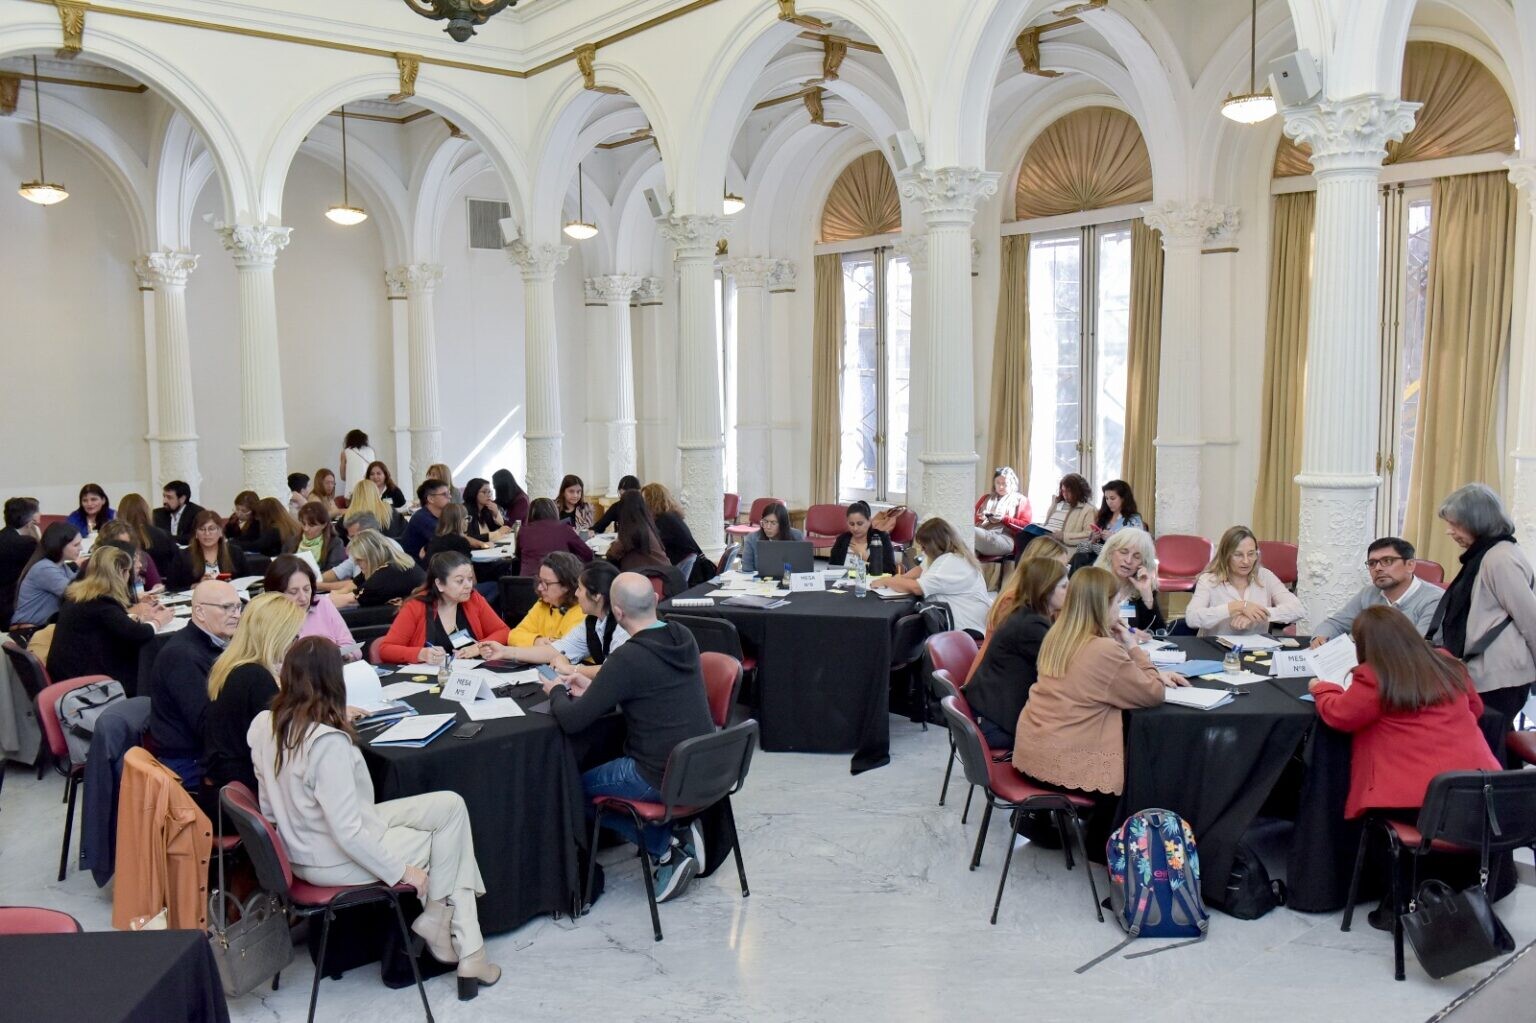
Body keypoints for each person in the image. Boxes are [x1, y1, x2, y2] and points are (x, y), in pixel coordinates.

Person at [249, 637, 500, 997]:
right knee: (448, 842)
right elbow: (348, 833)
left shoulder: (264, 725)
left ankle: (437, 918)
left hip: (300, 845)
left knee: (450, 805)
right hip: (331, 857)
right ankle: (468, 950)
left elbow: (270, 809)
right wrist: (401, 872)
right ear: (335, 680)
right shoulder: (326, 742)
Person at [543, 572, 715, 901]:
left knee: (571, 789)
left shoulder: (627, 658)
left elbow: (573, 721)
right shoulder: (683, 636)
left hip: (656, 774)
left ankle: (665, 849)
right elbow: (650, 689)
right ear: (653, 601)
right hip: (704, 764)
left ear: (618, 614)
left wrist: (555, 692)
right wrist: (595, 687)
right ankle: (678, 835)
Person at [1013, 567, 1188, 853]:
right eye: (1117, 602)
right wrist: (1132, 647)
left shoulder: (1058, 634)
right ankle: (1104, 842)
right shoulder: (1102, 650)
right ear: (1101, 605)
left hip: (1034, 751)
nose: (1120, 608)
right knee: (1149, 761)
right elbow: (1153, 693)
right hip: (1064, 764)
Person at [1312, 605, 1500, 821]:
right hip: (1480, 791)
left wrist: (1323, 689)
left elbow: (1340, 715)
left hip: (1415, 801)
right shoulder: (1446, 661)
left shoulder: (1374, 675)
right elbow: (1475, 708)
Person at [1427, 482, 1536, 737]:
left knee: (1489, 746)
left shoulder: (1500, 558)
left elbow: (1530, 619)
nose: (1449, 532)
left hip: (1500, 677)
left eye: (1455, 524)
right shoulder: (1486, 554)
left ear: (1477, 521)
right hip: (1484, 673)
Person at [202, 592, 306, 795]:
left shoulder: (230, 665)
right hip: (246, 786)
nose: (295, 643)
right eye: (294, 637)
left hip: (223, 783)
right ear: (276, 636)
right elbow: (284, 742)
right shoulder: (255, 677)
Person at [964, 557, 1067, 748]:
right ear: (1046, 589)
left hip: (987, 712)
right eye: (1064, 587)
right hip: (994, 725)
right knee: (1077, 738)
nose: (1069, 593)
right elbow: (1065, 669)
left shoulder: (1026, 614)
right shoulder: (1031, 626)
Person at [148, 578, 243, 787]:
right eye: (227, 607)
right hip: (190, 762)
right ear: (200, 612)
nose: (236, 614)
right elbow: (207, 726)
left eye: (238, 607)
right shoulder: (182, 656)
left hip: (205, 752)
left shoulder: (217, 644)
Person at [46, 546, 172, 693]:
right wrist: (158, 621)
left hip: (68, 673)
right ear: (120, 573)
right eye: (127, 572)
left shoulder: (81, 595)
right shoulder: (101, 602)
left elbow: (114, 623)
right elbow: (137, 633)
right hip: (86, 684)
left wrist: (142, 617)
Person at [479, 561, 624, 680]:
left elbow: (613, 670)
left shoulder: (623, 626)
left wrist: (571, 669)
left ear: (597, 596)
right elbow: (555, 650)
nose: (576, 593)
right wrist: (505, 652)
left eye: (580, 589)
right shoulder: (593, 622)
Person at [376, 552, 509, 665]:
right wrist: (421, 654)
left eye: (469, 579)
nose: (468, 585)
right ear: (439, 584)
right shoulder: (416, 607)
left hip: (469, 677)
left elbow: (503, 631)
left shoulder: (473, 599)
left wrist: (478, 647)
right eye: (459, 581)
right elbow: (385, 650)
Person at [1312, 537, 1441, 647]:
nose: (1378, 568)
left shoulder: (1434, 600)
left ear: (1410, 565)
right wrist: (1320, 638)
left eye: (1387, 561)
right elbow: (1336, 623)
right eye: (1372, 563)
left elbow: (1418, 648)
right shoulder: (1368, 593)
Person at [1185, 525, 1304, 636]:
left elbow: (1298, 610)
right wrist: (1236, 607)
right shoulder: (1208, 580)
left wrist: (1258, 614)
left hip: (1258, 652)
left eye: (1251, 554)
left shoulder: (1265, 576)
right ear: (1225, 555)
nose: (1246, 561)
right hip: (1218, 650)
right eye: (1238, 555)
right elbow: (1192, 618)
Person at [882, 518, 993, 637]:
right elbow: (921, 569)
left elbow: (917, 588)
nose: (922, 551)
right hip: (964, 625)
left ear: (935, 545)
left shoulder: (951, 561)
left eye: (924, 547)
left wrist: (888, 581)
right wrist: (902, 578)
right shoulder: (949, 555)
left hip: (966, 630)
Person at [264, 554, 358, 659]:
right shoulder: (267, 618)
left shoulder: (323, 604)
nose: (303, 598)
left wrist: (347, 655)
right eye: (293, 592)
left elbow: (352, 646)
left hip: (332, 670)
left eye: (306, 589)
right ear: (276, 593)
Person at [505, 552, 586, 647]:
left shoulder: (582, 611)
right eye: (540, 581)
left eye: (546, 583)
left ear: (567, 585)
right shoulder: (543, 604)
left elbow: (564, 649)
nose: (540, 587)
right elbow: (513, 636)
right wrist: (536, 641)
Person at [1093, 527, 1164, 631]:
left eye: (1136, 557)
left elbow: (1158, 632)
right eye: (1123, 552)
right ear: (1110, 552)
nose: (1128, 560)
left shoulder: (1142, 589)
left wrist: (1146, 595)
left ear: (1143, 563)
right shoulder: (1093, 582)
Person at [11, 522, 81, 626]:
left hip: (41, 628)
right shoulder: (44, 568)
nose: (81, 548)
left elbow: (81, 584)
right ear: (60, 545)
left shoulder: (62, 567)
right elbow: (76, 593)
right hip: (28, 630)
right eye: (76, 545)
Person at [168, 510, 250, 590]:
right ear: (196, 534)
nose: (207, 534)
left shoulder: (235, 553)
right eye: (202, 529)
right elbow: (171, 588)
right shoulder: (183, 556)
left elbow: (247, 582)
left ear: (220, 532)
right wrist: (196, 586)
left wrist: (232, 584)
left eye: (211, 529)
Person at [347, 530, 426, 608]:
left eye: (359, 559)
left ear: (372, 556)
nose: (356, 563)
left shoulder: (385, 575)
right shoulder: (392, 565)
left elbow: (349, 601)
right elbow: (353, 586)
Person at [516, 498, 594, 577]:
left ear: (530, 513)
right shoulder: (564, 528)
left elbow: (518, 556)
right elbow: (587, 554)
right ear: (555, 511)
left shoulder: (523, 531)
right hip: (558, 583)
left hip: (527, 584)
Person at [1074, 480, 1145, 567]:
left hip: (1117, 555)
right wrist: (1093, 539)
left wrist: (1113, 538)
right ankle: (1076, 578)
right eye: (1106, 498)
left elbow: (1137, 545)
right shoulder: (1105, 515)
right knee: (1080, 550)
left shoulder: (1133, 519)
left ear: (1123, 498)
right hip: (1101, 550)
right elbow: (1090, 545)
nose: (1109, 502)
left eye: (1112, 498)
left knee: (1088, 560)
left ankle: (1086, 576)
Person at [639, 483, 704, 568]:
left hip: (686, 572)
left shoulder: (665, 520)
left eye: (644, 500)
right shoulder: (671, 516)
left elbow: (654, 546)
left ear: (652, 500)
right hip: (689, 567)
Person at [604, 491, 671, 572]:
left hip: (655, 577)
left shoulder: (634, 529)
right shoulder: (646, 524)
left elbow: (613, 553)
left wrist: (612, 546)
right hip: (662, 572)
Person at [827, 500, 897, 576]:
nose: (855, 528)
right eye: (851, 524)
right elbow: (832, 569)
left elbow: (890, 570)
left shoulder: (881, 538)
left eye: (860, 524)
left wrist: (866, 557)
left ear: (869, 521)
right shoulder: (842, 539)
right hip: (844, 584)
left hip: (873, 585)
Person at [116, 493, 176, 579]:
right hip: (165, 583)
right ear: (146, 511)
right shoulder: (163, 534)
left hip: (134, 584)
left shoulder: (120, 537)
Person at [974, 467, 1031, 557]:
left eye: (1005, 484)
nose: (1001, 487)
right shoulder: (986, 498)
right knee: (963, 540)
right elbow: (969, 518)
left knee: (970, 532)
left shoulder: (1021, 500)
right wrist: (979, 517)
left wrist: (1003, 518)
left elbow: (1026, 526)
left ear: (1012, 484)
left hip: (1004, 538)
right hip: (982, 533)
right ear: (994, 483)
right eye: (998, 483)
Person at [0, 497, 40, 626]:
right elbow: (45, 565)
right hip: (12, 606)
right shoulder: (26, 543)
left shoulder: (3, 535)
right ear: (30, 521)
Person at [1027, 474, 1095, 548]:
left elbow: (1088, 535)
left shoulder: (1088, 510)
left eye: (1069, 491)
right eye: (1063, 491)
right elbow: (1048, 524)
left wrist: (1063, 536)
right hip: (1048, 541)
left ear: (1078, 491)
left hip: (1064, 548)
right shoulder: (1056, 504)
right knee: (1024, 535)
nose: (1065, 494)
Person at [97, 521, 163, 592]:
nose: (123, 548)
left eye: (126, 544)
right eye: (118, 544)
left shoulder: (143, 558)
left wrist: (157, 588)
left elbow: (156, 585)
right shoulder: (95, 563)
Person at [739, 502, 802, 575]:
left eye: (773, 523)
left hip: (789, 581)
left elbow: (802, 566)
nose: (768, 527)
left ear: (782, 524)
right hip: (760, 583)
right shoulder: (752, 539)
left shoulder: (796, 536)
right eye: (765, 522)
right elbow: (747, 569)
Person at [403, 478, 451, 567]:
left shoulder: (443, 516)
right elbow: (449, 540)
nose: (450, 497)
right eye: (445, 494)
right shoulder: (421, 518)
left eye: (449, 493)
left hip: (435, 564)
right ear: (431, 499)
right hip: (419, 569)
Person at [290, 501, 347, 572]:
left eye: (312, 525)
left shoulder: (335, 544)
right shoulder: (292, 541)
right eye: (303, 524)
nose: (306, 529)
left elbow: (333, 572)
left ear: (324, 525)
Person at [463, 477, 513, 545]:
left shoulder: (486, 509)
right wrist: (496, 533)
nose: (488, 495)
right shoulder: (464, 511)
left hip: (489, 548)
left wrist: (496, 513)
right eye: (484, 492)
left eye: (489, 492)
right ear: (474, 493)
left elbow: (502, 528)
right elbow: (469, 538)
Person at [154, 480, 204, 545]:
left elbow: (193, 538)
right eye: (164, 496)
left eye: (169, 497)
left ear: (182, 499)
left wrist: (169, 539)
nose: (164, 501)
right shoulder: (157, 514)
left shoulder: (198, 513)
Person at [339, 429, 375, 493]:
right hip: (369, 489)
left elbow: (343, 476)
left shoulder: (345, 452)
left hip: (352, 490)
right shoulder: (371, 451)